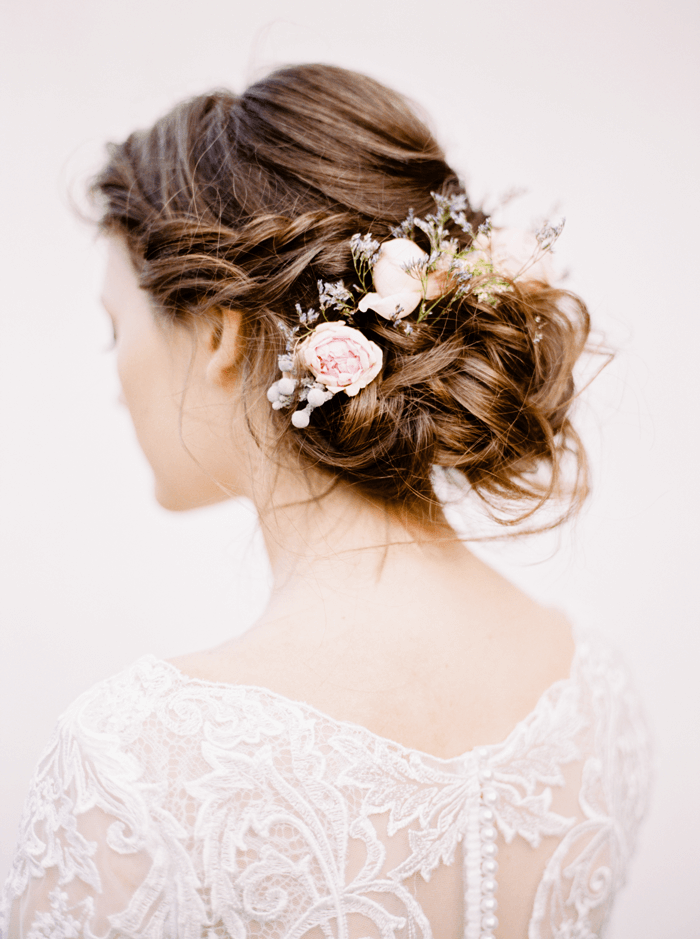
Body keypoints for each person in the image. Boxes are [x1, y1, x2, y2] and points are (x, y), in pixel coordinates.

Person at [0, 64, 649, 939]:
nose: (116, 381)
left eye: (118, 330)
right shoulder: (595, 693)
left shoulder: (143, 765)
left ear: (220, 331)